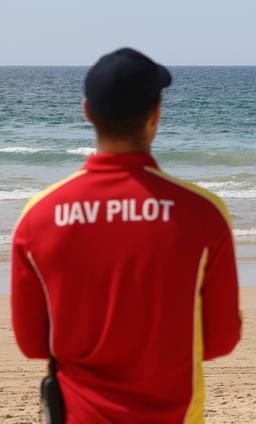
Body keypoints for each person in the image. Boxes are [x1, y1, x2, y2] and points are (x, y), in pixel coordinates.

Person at [11, 48, 241, 423]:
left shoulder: (39, 216)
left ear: (87, 111)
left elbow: (32, 343)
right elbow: (221, 340)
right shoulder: (203, 213)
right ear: (156, 114)